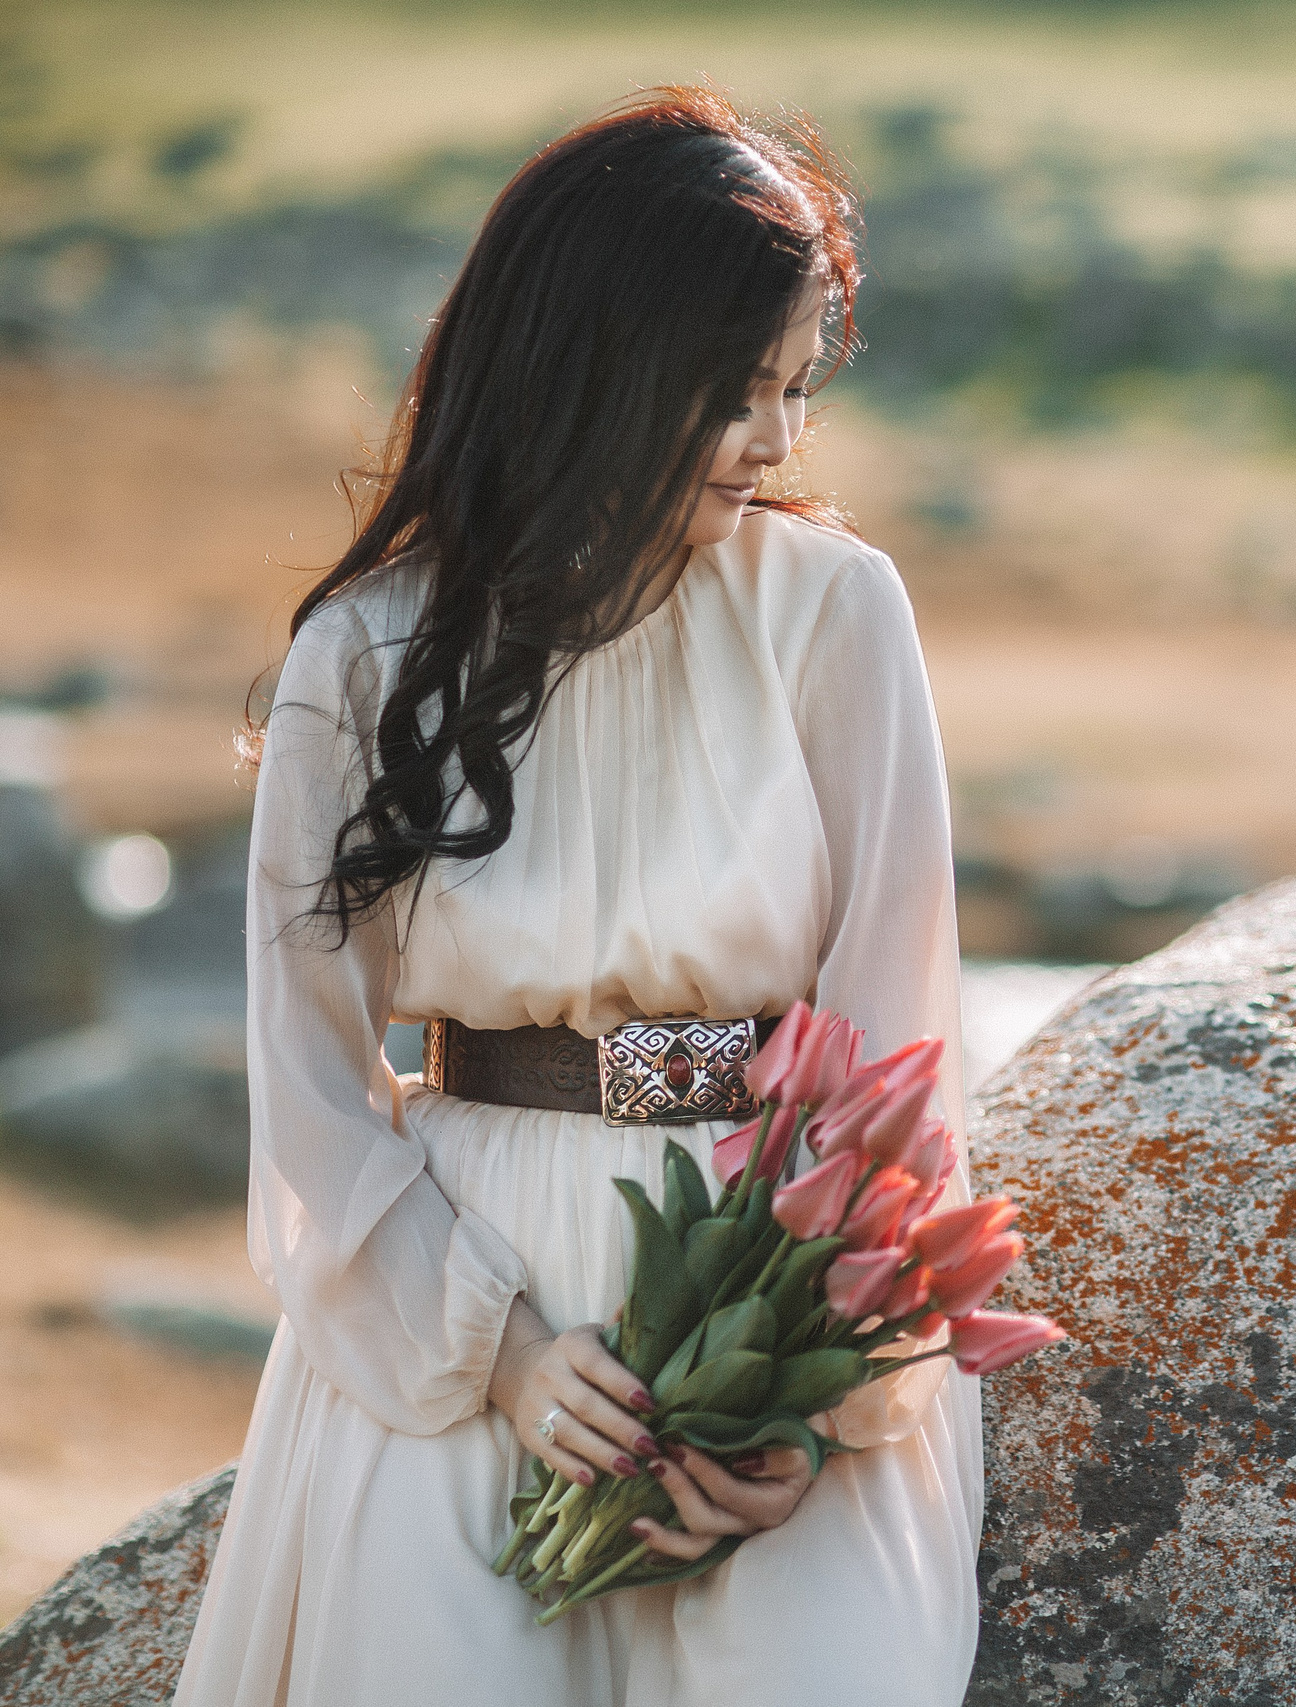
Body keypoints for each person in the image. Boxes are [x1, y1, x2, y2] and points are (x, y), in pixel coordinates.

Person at [173, 88, 982, 1706]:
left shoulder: (836, 614)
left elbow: (902, 1045)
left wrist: (815, 1402)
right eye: (733, 390)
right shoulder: (372, 653)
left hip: (774, 1283)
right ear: (594, 365)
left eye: (794, 386)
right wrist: (506, 1358)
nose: (777, 441)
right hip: (464, 1306)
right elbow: (316, 1086)